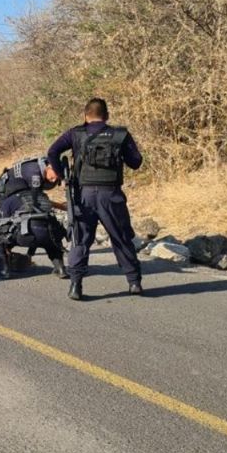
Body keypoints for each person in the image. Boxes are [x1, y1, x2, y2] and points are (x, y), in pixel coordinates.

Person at [47, 98, 144, 301]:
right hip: (112, 195)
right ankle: (134, 282)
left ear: (85, 115)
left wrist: (62, 176)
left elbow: (53, 151)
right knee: (121, 237)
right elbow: (136, 162)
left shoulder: (76, 133)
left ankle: (76, 285)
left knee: (80, 240)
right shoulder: (120, 135)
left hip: (84, 196)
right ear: (107, 116)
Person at [0, 156, 68, 280]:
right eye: (55, 175)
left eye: (58, 178)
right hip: (49, 236)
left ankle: (3, 270)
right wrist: (61, 206)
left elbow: (1, 226)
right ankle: (60, 268)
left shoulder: (11, 200)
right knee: (50, 234)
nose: (54, 180)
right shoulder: (42, 196)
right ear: (49, 167)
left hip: (26, 235)